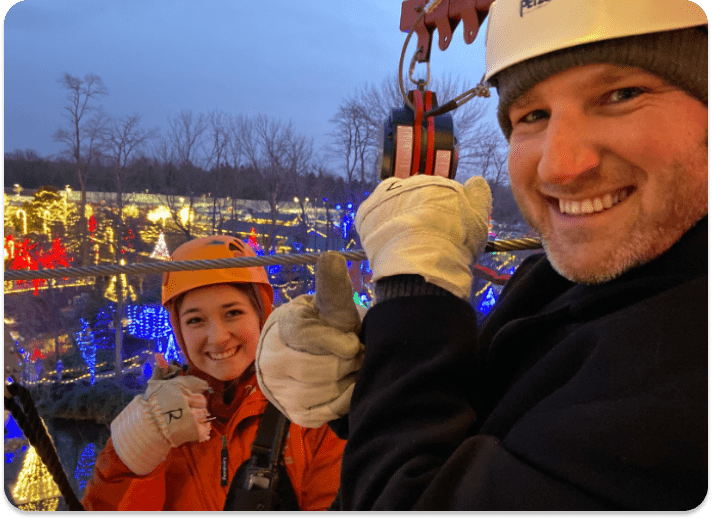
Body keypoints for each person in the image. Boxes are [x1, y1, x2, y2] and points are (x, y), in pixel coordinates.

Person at [255, 0, 709, 511]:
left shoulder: (689, 370)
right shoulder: (558, 281)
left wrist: (415, 293)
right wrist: (367, 377)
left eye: (621, 95)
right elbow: (480, 419)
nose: (560, 167)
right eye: (532, 115)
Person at [82, 235, 345, 511]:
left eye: (232, 313)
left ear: (261, 314)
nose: (217, 337)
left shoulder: (310, 413)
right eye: (195, 320)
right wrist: (134, 452)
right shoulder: (156, 427)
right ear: (179, 330)